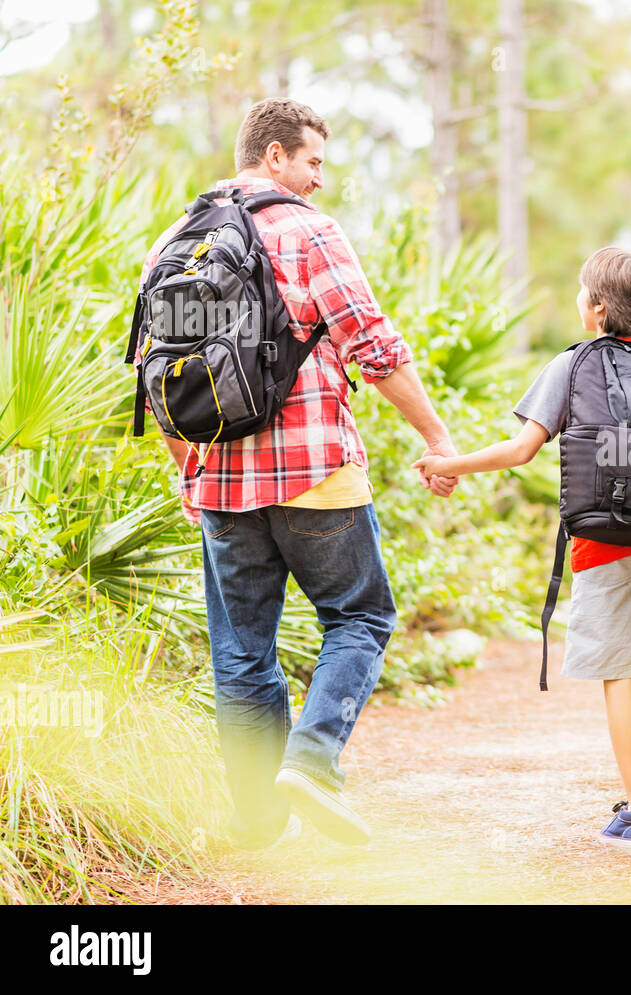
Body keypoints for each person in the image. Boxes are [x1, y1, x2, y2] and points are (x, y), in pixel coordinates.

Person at [133, 98, 460, 849]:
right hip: (316, 470)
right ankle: (312, 763)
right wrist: (435, 435)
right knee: (361, 616)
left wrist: (191, 472)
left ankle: (254, 821)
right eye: (313, 161)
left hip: (221, 484)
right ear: (273, 156)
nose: (319, 178)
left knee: (242, 653)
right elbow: (372, 345)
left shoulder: (173, 241)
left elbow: (161, 382)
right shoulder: (310, 231)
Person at [415, 246, 631, 845]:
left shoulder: (573, 365)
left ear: (596, 308)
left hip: (602, 541)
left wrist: (446, 462)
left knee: (621, 672)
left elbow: (519, 451)